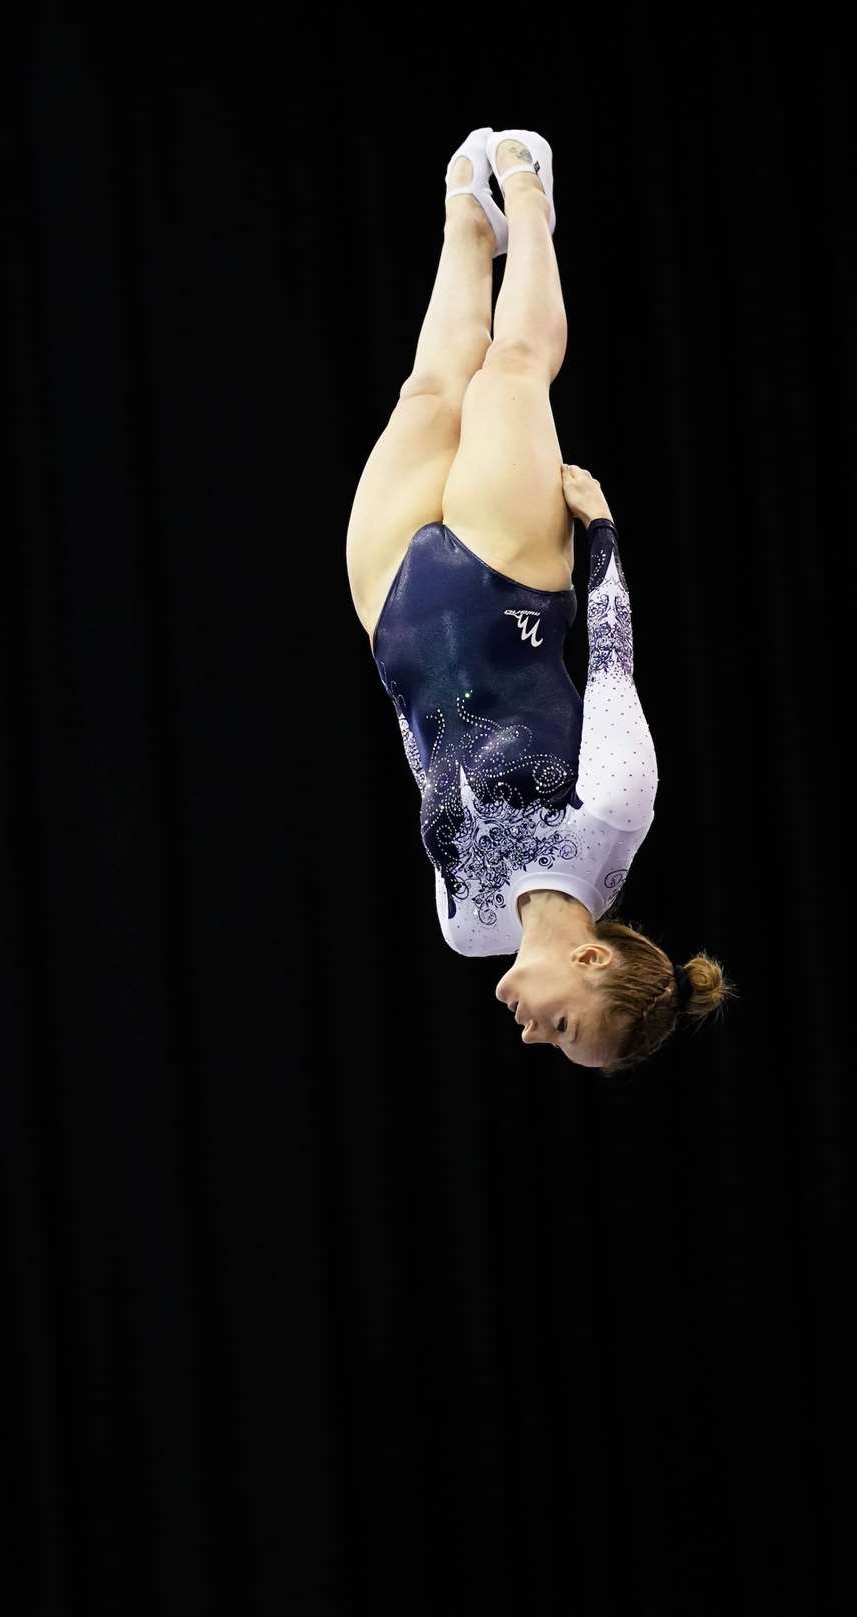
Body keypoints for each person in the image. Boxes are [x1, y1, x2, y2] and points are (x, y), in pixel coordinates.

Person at [344, 127, 736, 1073]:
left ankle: (463, 223)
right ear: (592, 957)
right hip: (509, 573)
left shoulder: (464, 926)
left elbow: (424, 755)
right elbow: (611, 664)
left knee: (426, 390)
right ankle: (527, 192)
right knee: (510, 369)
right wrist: (598, 536)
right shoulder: (613, 815)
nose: (528, 1032)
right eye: (562, 1028)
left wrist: (387, 659)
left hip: (395, 610)